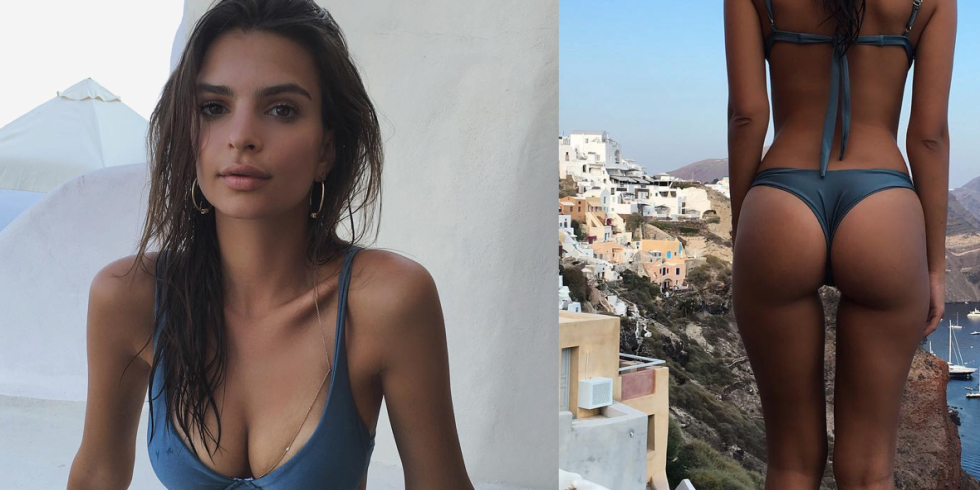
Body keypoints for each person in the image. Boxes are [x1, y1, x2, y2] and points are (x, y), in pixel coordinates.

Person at [66, 1, 474, 488]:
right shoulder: (129, 299)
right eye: (213, 108)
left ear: (326, 149)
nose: (241, 137)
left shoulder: (387, 301)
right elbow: (96, 475)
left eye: (281, 109)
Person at [724, 0, 954, 488]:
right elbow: (928, 137)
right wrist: (935, 267)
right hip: (884, 211)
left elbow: (747, 116)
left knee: (789, 463)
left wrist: (744, 228)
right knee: (870, 472)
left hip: (781, 202)